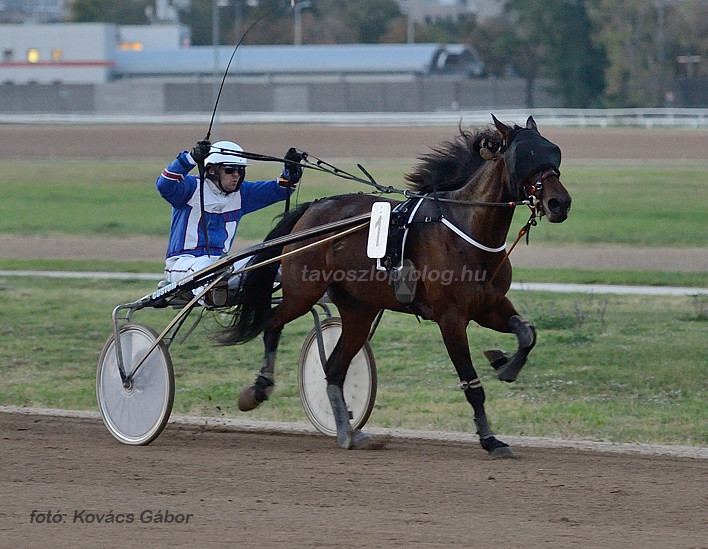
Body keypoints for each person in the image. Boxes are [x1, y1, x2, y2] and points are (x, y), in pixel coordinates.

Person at [156, 139, 302, 305]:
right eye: (230, 170)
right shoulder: (189, 188)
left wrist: (290, 173)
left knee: (270, 260)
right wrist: (190, 158)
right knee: (208, 267)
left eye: (240, 170)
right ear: (211, 170)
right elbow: (164, 185)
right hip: (183, 263)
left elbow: (280, 189)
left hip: (223, 264)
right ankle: (213, 293)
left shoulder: (243, 193)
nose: (236, 175)